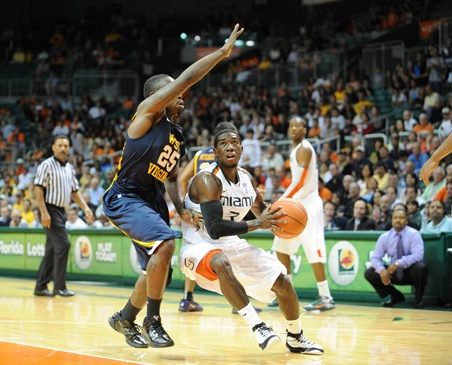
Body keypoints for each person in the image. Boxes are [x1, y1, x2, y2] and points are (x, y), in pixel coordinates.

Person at [105, 25, 244, 349]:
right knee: (166, 244)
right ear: (159, 97)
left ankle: (125, 318)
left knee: (159, 272)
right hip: (126, 195)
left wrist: (180, 208)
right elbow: (185, 80)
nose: (181, 95)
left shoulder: (175, 134)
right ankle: (153, 319)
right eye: (173, 92)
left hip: (151, 199)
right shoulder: (146, 115)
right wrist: (222, 53)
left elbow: (168, 178)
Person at [180, 129, 323, 354]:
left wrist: (279, 220)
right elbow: (215, 229)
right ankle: (257, 325)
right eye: (224, 144)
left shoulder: (246, 178)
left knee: (283, 280)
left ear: (241, 149)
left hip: (231, 242)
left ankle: (295, 337)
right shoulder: (208, 179)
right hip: (199, 244)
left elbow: (259, 210)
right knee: (219, 261)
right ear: (215, 151)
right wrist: (259, 224)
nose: (230, 147)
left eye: (234, 142)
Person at [272, 117, 335, 311]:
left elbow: (299, 183)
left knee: (312, 248)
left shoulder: (305, 148)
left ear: (305, 130)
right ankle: (285, 293)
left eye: (298, 125)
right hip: (296, 204)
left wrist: (279, 202)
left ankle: (326, 297)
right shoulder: (295, 149)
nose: (294, 128)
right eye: (291, 125)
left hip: (308, 205)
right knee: (281, 246)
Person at [177, 121, 238, 313]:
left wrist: (188, 204)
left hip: (197, 208)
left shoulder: (199, 154)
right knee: (229, 250)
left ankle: (187, 298)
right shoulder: (227, 154)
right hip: (217, 206)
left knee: (196, 250)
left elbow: (182, 178)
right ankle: (237, 302)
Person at [33, 135, 93, 298]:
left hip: (61, 211)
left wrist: (85, 208)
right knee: (64, 245)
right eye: (60, 145)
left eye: (66, 146)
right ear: (53, 147)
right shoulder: (46, 165)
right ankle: (59, 287)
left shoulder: (70, 168)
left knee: (52, 248)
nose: (63, 149)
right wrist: (44, 212)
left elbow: (74, 192)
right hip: (48, 209)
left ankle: (40, 286)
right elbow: (38, 189)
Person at [364, 209, 427, 308]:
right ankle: (395, 295)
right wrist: (381, 270)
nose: (398, 220)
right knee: (369, 272)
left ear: (406, 221)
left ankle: (418, 300)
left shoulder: (414, 234)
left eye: (401, 218)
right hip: (392, 273)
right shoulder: (384, 237)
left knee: (421, 267)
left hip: (409, 271)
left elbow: (418, 255)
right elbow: (375, 258)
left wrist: (398, 263)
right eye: (395, 218)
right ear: (392, 220)